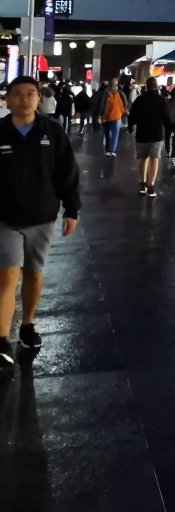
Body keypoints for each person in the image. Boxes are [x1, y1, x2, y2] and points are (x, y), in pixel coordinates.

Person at [0, 76, 80, 371]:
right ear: (6, 100)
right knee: (7, 276)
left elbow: (66, 172)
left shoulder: (52, 131)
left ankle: (27, 325)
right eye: (17, 94)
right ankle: (1, 338)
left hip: (42, 216)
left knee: (34, 273)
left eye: (30, 93)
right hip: (4, 218)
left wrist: (72, 209)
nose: (24, 99)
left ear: (39, 97)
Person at [128, 77, 173, 197]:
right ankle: (151, 186)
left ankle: (142, 184)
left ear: (146, 87)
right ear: (156, 86)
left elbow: (132, 115)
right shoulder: (161, 100)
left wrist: (130, 127)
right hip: (156, 134)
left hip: (142, 133)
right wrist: (169, 130)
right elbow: (167, 117)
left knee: (142, 159)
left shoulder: (139, 99)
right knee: (154, 159)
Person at [100, 79, 126, 157]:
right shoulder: (119, 92)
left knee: (109, 134)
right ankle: (112, 150)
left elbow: (102, 104)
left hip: (109, 116)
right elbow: (125, 102)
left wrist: (100, 115)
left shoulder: (107, 92)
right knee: (114, 134)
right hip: (114, 116)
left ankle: (110, 150)